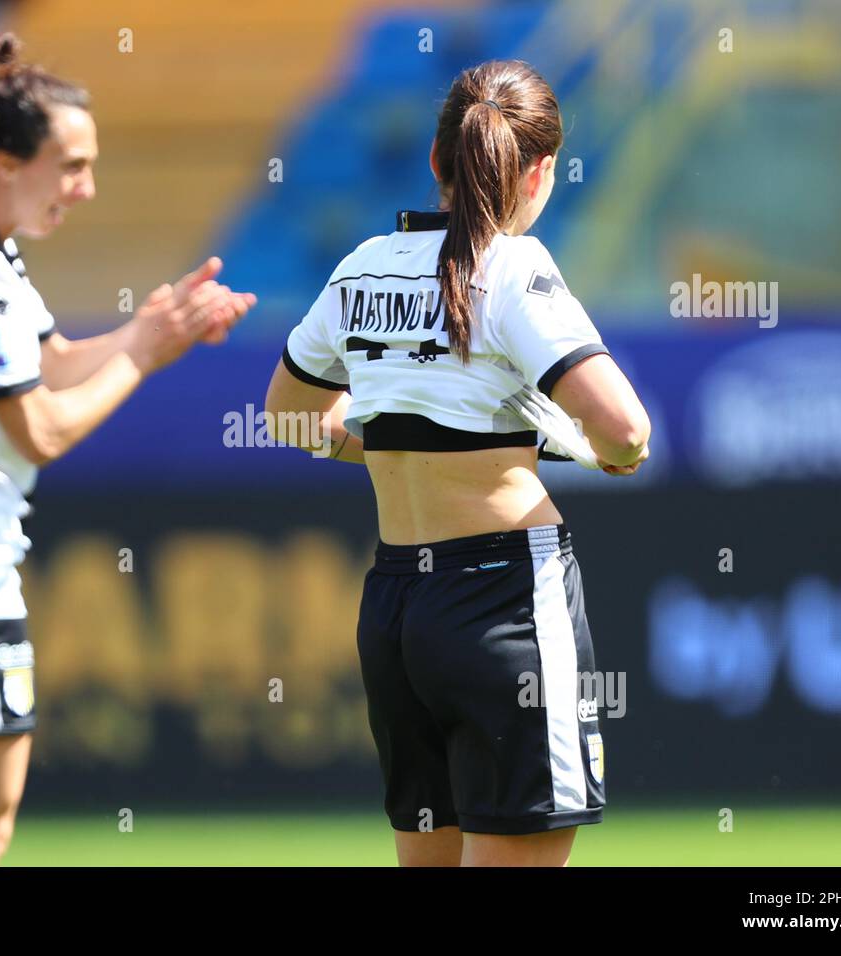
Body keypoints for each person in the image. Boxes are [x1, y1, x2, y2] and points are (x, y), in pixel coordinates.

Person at [0, 33, 254, 867]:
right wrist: (143, 356)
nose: (86, 188)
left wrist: (149, 328)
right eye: (70, 165)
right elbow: (43, 427)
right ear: (3, 161)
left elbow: (53, 361)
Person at [264, 59, 649, 866]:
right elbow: (623, 427)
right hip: (506, 601)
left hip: (399, 608)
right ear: (539, 172)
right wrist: (613, 453)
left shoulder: (362, 265)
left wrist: (393, 443)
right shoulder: (515, 266)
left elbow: (289, 417)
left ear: (437, 162)